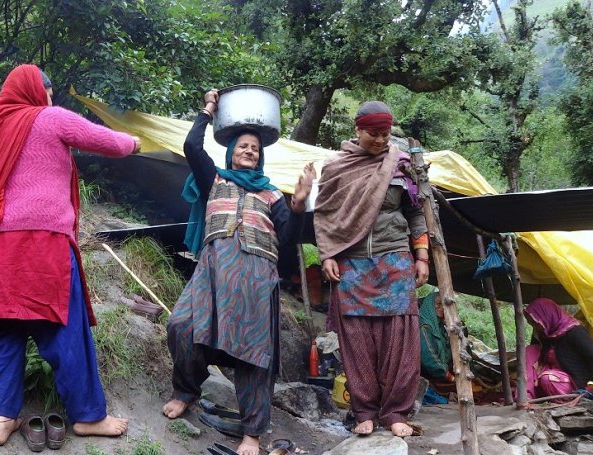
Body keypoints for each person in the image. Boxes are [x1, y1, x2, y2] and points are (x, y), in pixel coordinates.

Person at [0, 64, 141, 447]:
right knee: (65, 332)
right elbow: (108, 142)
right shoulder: (50, 117)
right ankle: (89, 417)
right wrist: (135, 142)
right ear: (37, 90)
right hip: (43, 247)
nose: (51, 97)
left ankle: (1, 418)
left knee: (2, 333)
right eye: (49, 89)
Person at [161, 89, 315, 455]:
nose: (250, 151)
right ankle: (186, 390)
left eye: (256, 149)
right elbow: (191, 147)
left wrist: (298, 206)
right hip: (212, 272)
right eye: (244, 146)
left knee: (254, 353)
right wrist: (209, 110)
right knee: (181, 326)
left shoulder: (273, 196)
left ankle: (252, 433)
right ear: (231, 150)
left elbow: (290, 242)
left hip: (256, 280)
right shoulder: (214, 180)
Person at [313, 101, 429, 437]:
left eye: (385, 133)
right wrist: (328, 255)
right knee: (356, 338)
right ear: (358, 130)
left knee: (399, 337)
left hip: (394, 258)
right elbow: (325, 215)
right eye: (374, 134)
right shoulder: (336, 167)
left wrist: (421, 256)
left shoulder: (401, 163)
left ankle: (395, 413)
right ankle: (364, 410)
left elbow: (416, 212)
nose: (381, 140)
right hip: (351, 262)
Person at [524, 297, 593, 399]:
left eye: (536, 323)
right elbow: (533, 358)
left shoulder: (575, 332)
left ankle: (571, 399)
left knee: (547, 379)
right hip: (554, 373)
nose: (535, 327)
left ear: (548, 316)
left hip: (576, 381)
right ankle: (526, 396)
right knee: (530, 351)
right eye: (532, 323)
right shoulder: (545, 334)